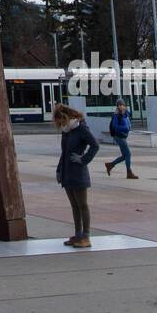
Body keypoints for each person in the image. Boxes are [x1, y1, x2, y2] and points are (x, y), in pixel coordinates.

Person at [53, 103, 99, 249]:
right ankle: (78, 234)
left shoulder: (81, 128)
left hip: (78, 172)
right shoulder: (66, 131)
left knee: (82, 205)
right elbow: (64, 152)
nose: (60, 124)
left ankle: (86, 237)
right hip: (67, 172)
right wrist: (59, 170)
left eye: (60, 121)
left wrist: (83, 159)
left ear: (66, 116)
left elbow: (95, 145)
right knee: (74, 205)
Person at [105, 99, 138, 179]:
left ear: (125, 106)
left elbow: (128, 124)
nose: (121, 106)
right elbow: (115, 127)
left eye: (122, 105)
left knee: (125, 155)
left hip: (123, 136)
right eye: (119, 105)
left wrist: (127, 127)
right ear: (117, 107)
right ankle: (129, 172)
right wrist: (125, 128)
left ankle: (110, 165)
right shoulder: (116, 115)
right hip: (119, 136)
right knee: (128, 154)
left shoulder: (126, 114)